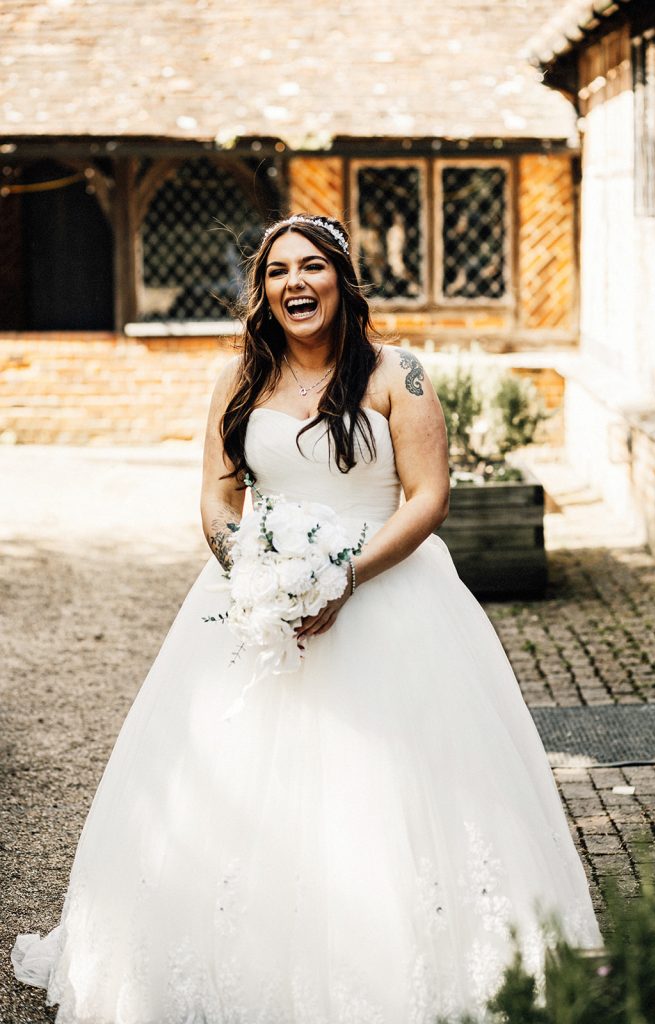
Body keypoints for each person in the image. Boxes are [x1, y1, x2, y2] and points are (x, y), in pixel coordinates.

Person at [12, 213, 603, 1023]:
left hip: (391, 593)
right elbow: (219, 498)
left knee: (392, 789)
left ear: (342, 278)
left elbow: (429, 498)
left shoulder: (400, 374)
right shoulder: (238, 380)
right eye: (279, 271)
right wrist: (253, 575)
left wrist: (343, 576)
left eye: (313, 267)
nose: (296, 283)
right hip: (255, 607)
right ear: (261, 290)